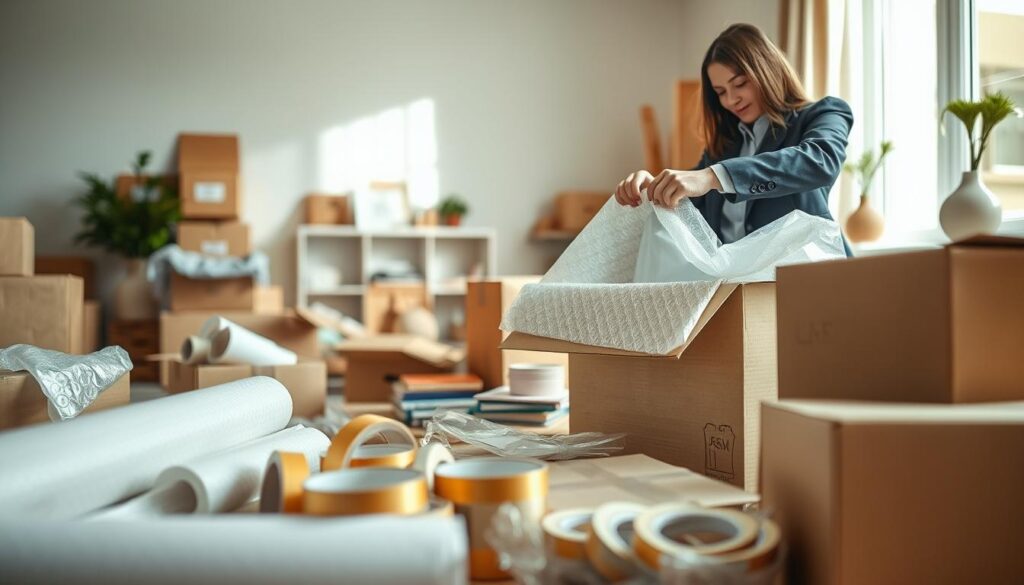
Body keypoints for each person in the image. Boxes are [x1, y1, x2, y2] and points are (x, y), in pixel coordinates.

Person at [614, 23, 854, 256]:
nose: (731, 100)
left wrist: (715, 176)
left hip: (810, 276)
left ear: (767, 71)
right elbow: (686, 202)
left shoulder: (825, 113)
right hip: (737, 280)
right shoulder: (723, 147)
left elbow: (820, 162)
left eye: (740, 84)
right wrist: (653, 187)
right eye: (720, 92)